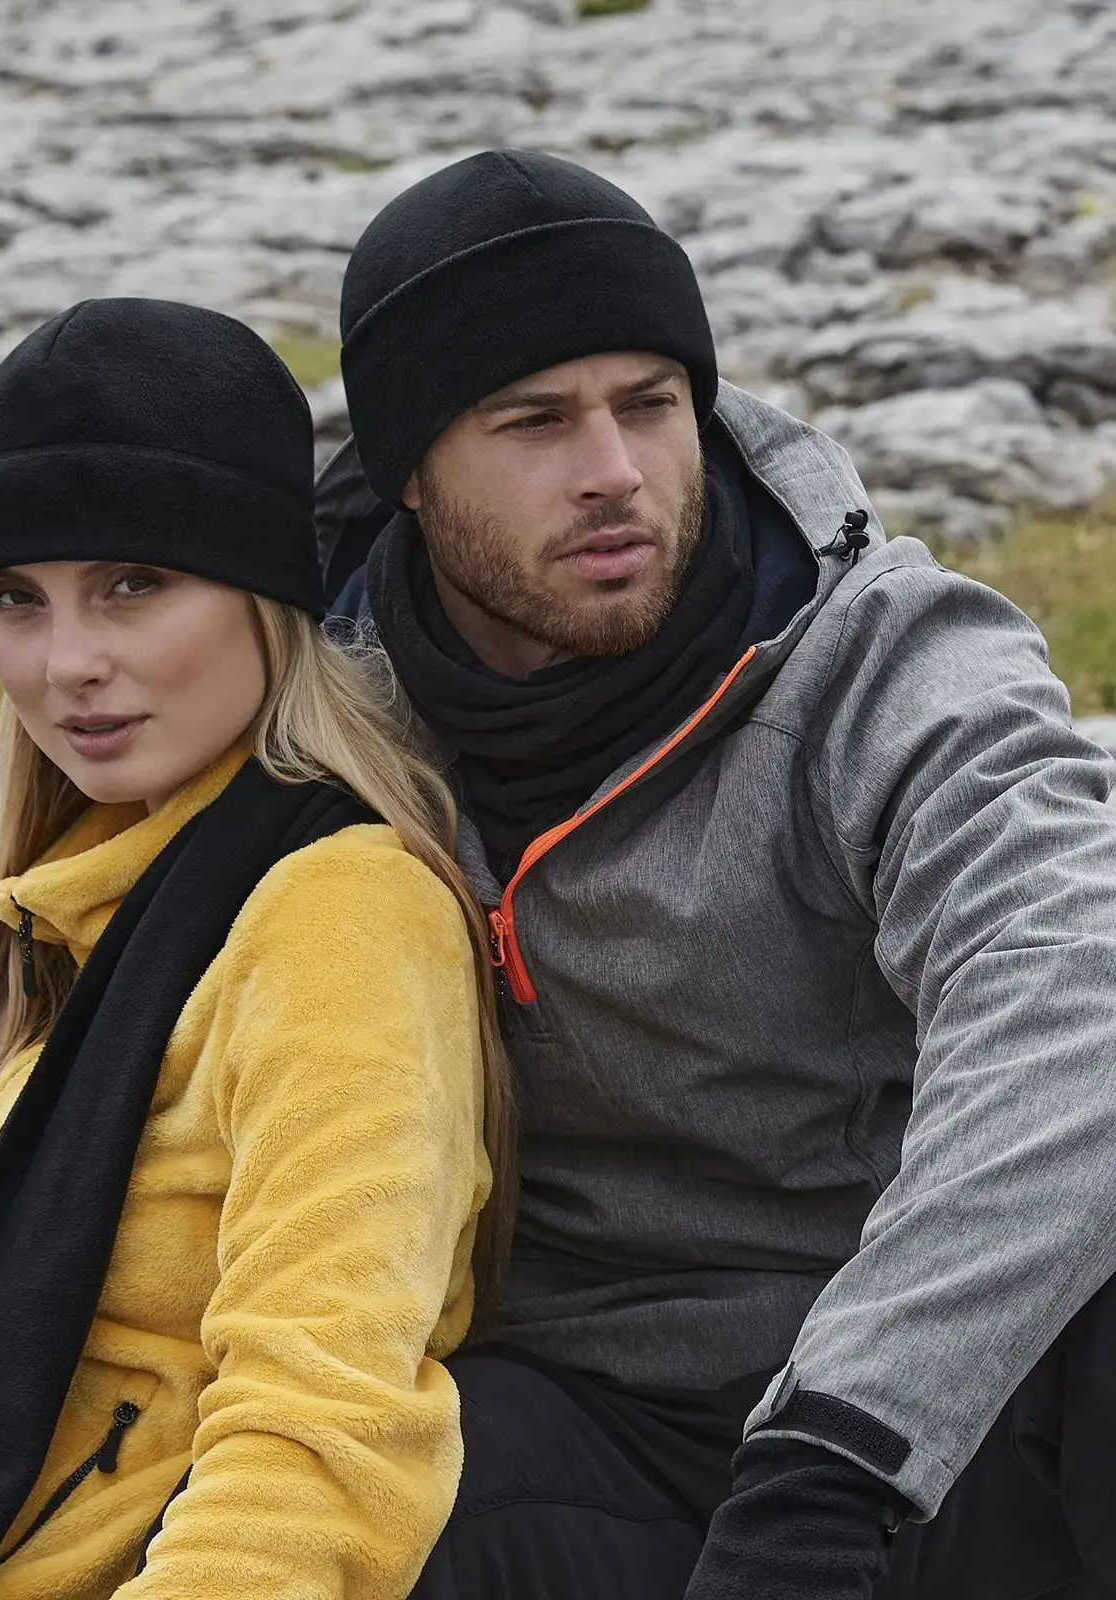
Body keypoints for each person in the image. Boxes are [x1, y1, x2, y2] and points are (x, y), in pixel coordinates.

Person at [315, 149, 1116, 1598]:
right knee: (353, 1498)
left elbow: (1077, 984)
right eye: (534, 421)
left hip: (919, 1407)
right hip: (585, 1416)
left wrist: (839, 1451)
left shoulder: (885, 665)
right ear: (411, 474)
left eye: (650, 403)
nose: (614, 472)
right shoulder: (324, 725)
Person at [0, 297, 514, 1600]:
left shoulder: (341, 916)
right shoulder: (71, 907)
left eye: (134, 584)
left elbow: (326, 1419)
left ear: (263, 592)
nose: (68, 664)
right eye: (17, 599)